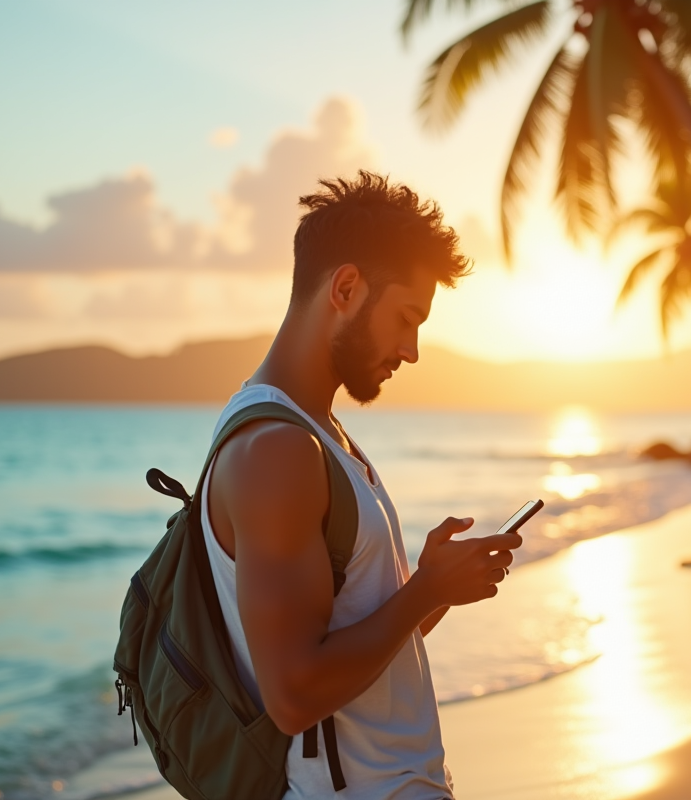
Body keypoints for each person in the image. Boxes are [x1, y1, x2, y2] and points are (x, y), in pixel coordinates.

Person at [202, 171, 519, 798]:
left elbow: (352, 648)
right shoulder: (277, 451)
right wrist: (424, 588)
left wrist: (433, 593)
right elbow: (293, 697)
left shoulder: (322, 437)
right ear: (345, 287)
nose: (413, 349)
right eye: (407, 317)